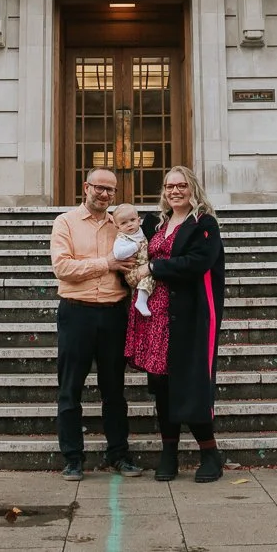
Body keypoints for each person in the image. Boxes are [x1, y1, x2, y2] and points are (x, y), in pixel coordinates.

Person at [123, 165, 226, 483]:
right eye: (169, 186)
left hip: (189, 316)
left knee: (190, 385)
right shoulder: (157, 224)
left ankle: (210, 453)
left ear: (192, 188)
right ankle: (169, 453)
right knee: (162, 386)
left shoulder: (204, 224)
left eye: (181, 185)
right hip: (156, 317)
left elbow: (198, 262)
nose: (174, 191)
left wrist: (154, 266)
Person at [48, 167, 144, 480]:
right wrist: (107, 264)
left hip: (114, 313)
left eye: (110, 190)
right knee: (70, 388)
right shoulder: (65, 222)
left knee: (114, 390)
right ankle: (73, 458)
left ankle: (119, 454)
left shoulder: (121, 223)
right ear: (86, 187)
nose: (105, 194)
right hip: (77, 312)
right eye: (99, 188)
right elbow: (63, 267)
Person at [108, 203, 155, 317]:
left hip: (142, 266)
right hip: (132, 271)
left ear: (139, 221)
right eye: (124, 223)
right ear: (117, 227)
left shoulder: (139, 232)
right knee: (152, 276)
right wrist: (135, 247)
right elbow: (118, 254)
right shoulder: (122, 238)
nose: (129, 225)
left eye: (132, 220)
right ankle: (141, 302)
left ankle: (140, 300)